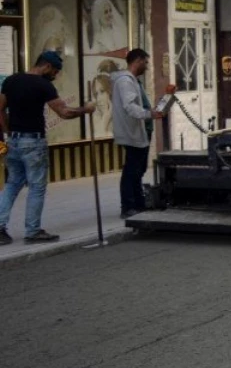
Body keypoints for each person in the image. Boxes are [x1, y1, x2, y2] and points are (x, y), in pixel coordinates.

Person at [0, 51, 95, 244]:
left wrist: (8, 132)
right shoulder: (44, 86)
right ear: (47, 66)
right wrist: (86, 109)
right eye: (56, 71)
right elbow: (64, 113)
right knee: (36, 187)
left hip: (14, 140)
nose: (56, 75)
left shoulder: (12, 80)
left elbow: (0, 108)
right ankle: (33, 230)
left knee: (12, 184)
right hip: (34, 142)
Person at [111, 49, 175, 218]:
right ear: (137, 61)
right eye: (145, 62)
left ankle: (138, 203)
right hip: (131, 132)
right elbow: (130, 106)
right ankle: (128, 206)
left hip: (139, 130)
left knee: (138, 170)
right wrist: (149, 114)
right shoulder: (125, 81)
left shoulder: (134, 81)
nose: (146, 66)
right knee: (131, 170)